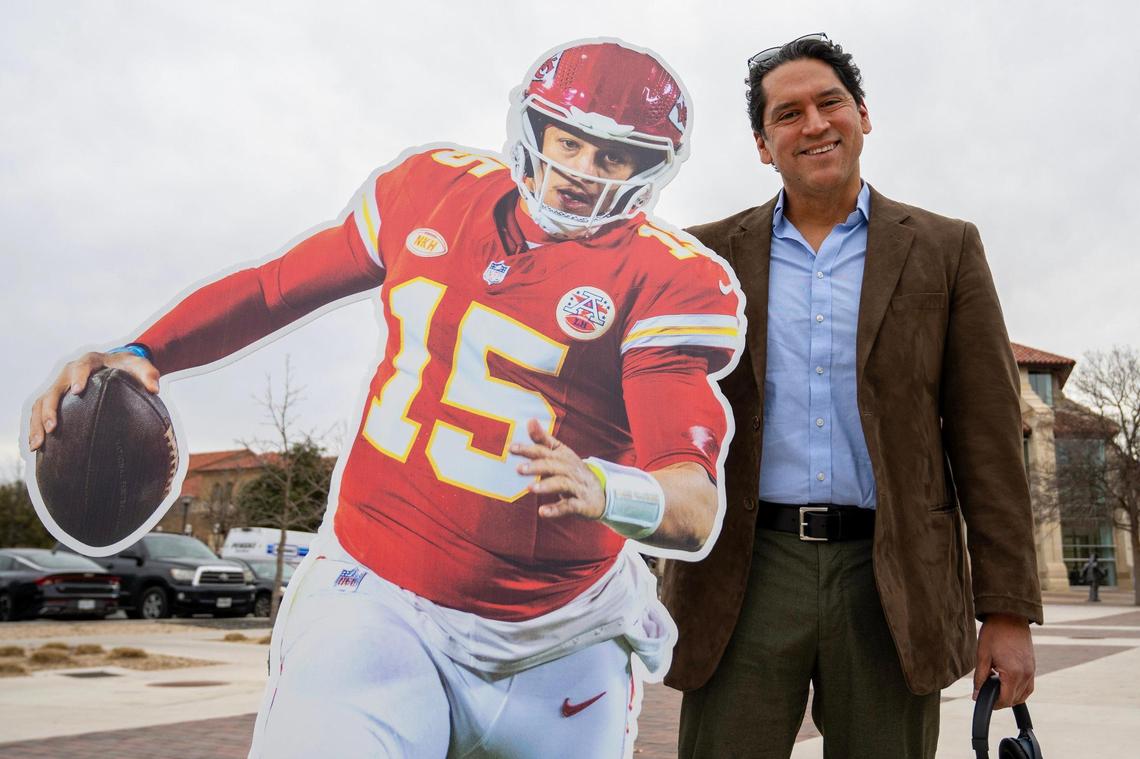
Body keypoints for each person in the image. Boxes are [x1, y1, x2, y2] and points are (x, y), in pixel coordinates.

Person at [25, 40, 743, 758]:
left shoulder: (667, 280)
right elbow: (274, 289)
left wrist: (606, 487)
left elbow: (692, 503)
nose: (582, 172)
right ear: (535, 129)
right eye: (570, 142)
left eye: (613, 158)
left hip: (557, 638)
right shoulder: (430, 191)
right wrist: (143, 351)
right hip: (379, 594)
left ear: (649, 170)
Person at [660, 34, 1042, 758]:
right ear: (763, 144)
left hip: (891, 574)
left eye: (830, 101)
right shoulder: (702, 257)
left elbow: (988, 443)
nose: (813, 123)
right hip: (743, 573)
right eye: (787, 113)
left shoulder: (945, 248)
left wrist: (1008, 611)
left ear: (863, 115)